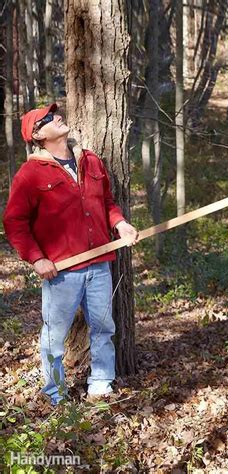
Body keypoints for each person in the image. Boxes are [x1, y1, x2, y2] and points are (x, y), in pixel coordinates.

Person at [3, 103, 138, 405]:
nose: (57, 117)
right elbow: (14, 222)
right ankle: (56, 393)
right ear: (37, 135)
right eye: (48, 119)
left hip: (100, 264)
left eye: (56, 113)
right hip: (63, 271)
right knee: (54, 337)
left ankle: (101, 386)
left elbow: (106, 202)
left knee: (104, 328)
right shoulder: (30, 174)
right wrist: (37, 258)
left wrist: (121, 224)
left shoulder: (90, 161)